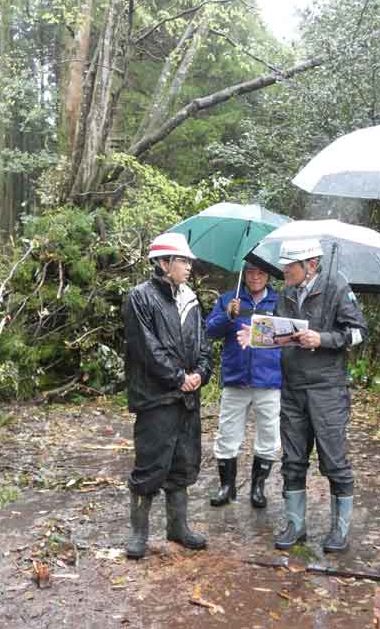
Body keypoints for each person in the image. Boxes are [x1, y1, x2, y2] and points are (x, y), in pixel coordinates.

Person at [242, 238, 368, 552]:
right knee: (293, 461)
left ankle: (339, 531)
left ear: (310, 264)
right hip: (293, 388)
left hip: (327, 389)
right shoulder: (286, 293)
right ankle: (295, 526)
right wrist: (257, 336)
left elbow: (358, 332)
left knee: (334, 462)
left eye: (290, 266)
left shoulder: (337, 287)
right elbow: (284, 333)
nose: (284, 271)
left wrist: (322, 338)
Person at [123, 232, 213, 560]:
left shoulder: (190, 298)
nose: (189, 266)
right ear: (163, 263)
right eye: (182, 261)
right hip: (156, 397)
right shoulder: (140, 297)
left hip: (187, 398)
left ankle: (178, 527)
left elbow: (204, 344)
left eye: (189, 261)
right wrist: (178, 378)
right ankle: (138, 534)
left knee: (183, 462)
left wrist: (201, 373)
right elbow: (145, 347)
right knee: (150, 463)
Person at [205, 264, 282, 510]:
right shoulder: (230, 299)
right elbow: (209, 330)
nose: (255, 277)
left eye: (260, 273)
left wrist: (261, 332)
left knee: (268, 435)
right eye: (250, 273)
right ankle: (226, 486)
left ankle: (258, 488)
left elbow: (288, 335)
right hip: (235, 378)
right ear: (244, 274)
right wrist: (228, 315)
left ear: (268, 275)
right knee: (227, 433)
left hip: (268, 379)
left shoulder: (279, 302)